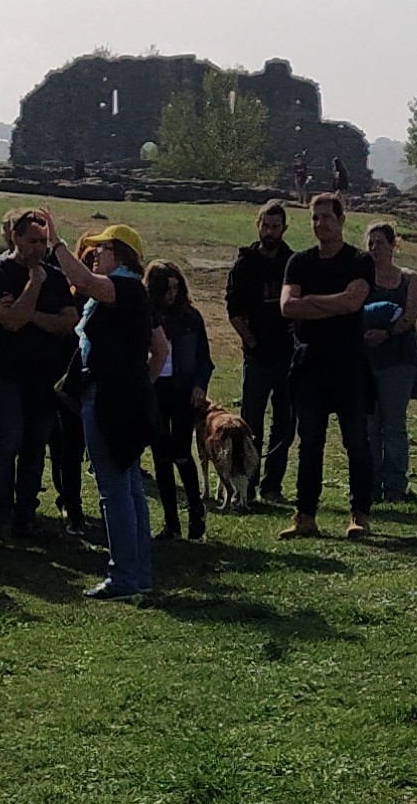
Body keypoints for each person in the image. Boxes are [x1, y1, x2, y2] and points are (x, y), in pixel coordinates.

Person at [44, 223, 159, 600]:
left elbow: (82, 279)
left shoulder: (122, 288)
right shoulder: (131, 291)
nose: (95, 255)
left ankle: (123, 576)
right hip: (127, 395)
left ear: (120, 253)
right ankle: (138, 573)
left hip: (111, 397)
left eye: (102, 249)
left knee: (114, 490)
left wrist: (57, 244)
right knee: (128, 489)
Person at [275, 193, 378, 539]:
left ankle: (360, 514)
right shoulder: (299, 263)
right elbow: (288, 307)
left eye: (326, 217)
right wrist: (330, 304)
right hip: (310, 366)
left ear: (341, 220)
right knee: (310, 443)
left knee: (357, 443)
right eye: (315, 219)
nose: (320, 224)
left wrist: (313, 302)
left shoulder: (360, 261)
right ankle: (305, 516)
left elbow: (353, 302)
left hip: (349, 366)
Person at [0, 208, 77, 541]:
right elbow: (9, 321)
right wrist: (33, 285)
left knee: (35, 448)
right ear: (15, 237)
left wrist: (29, 314)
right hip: (8, 373)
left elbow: (69, 323)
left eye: (44, 241)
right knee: (5, 444)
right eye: (32, 240)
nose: (39, 248)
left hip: (45, 375)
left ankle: (25, 518)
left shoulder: (57, 275)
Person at [143, 259, 211, 540]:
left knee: (182, 452)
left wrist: (200, 386)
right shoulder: (147, 315)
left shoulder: (191, 317)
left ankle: (196, 509)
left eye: (176, 287)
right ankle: (171, 523)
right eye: (166, 289)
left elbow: (204, 359)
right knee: (161, 456)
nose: (172, 294)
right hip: (157, 390)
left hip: (183, 392)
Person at [359, 219, 417, 501]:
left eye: (380, 243)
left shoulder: (409, 279)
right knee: (370, 426)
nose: (374, 249)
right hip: (366, 363)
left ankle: (396, 487)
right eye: (370, 243)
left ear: (393, 245)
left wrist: (386, 334)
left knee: (394, 425)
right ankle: (371, 486)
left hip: (399, 362)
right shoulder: (360, 279)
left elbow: (410, 316)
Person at [223, 199, 293, 457]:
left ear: (284, 228)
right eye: (266, 225)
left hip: (287, 354)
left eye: (275, 226)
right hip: (257, 356)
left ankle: (272, 483)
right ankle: (247, 484)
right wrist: (252, 341)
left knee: (285, 422)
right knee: (250, 422)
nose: (270, 232)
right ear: (258, 226)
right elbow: (233, 310)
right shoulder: (245, 264)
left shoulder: (292, 262)